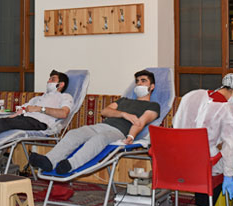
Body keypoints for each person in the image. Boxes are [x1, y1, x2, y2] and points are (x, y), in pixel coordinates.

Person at [29, 70, 160, 175]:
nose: (139, 84)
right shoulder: (124, 100)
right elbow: (105, 111)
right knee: (74, 133)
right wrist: (123, 114)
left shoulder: (153, 106)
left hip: (118, 132)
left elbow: (140, 122)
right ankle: (49, 160)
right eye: (137, 81)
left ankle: (70, 165)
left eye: (143, 81)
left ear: (152, 86)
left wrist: (131, 136)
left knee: (99, 139)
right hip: (101, 126)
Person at [171, 73, 233, 206]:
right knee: (220, 162)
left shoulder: (192, 95)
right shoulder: (227, 109)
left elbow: (176, 122)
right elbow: (231, 145)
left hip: (177, 158)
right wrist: (229, 174)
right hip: (203, 163)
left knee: (203, 158)